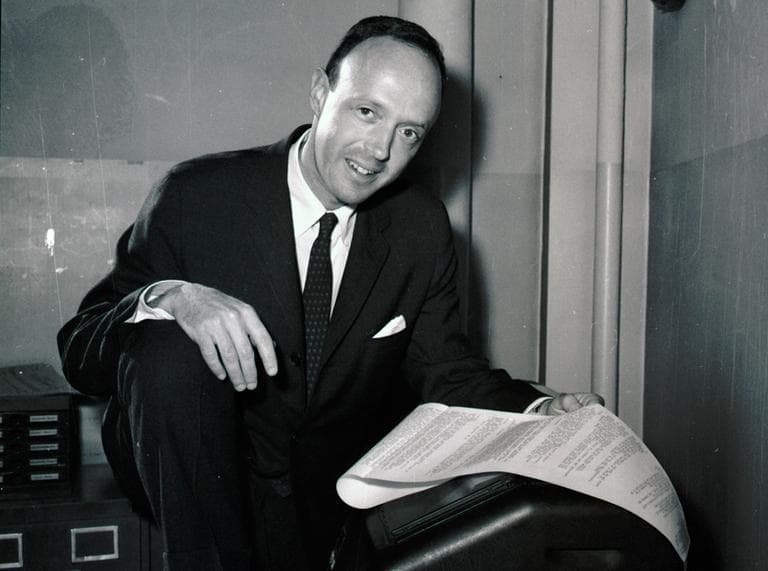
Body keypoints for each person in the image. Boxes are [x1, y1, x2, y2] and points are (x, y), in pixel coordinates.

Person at [58, 15, 602, 571]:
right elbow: (79, 350)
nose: (381, 150)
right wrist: (171, 297)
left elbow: (447, 372)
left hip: (325, 500)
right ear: (320, 93)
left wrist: (540, 407)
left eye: (409, 132)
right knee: (167, 350)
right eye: (368, 112)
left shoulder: (419, 227)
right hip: (201, 488)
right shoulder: (198, 196)